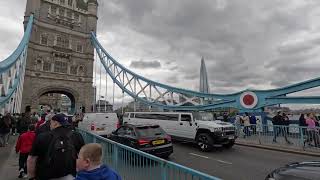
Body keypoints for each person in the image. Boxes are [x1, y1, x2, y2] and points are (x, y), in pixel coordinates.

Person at [27, 113, 85, 180]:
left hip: (45, 175)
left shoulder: (42, 136)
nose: (50, 126)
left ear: (55, 123)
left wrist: (31, 177)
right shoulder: (77, 135)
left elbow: (31, 159)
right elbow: (83, 156)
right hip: (69, 175)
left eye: (51, 123)